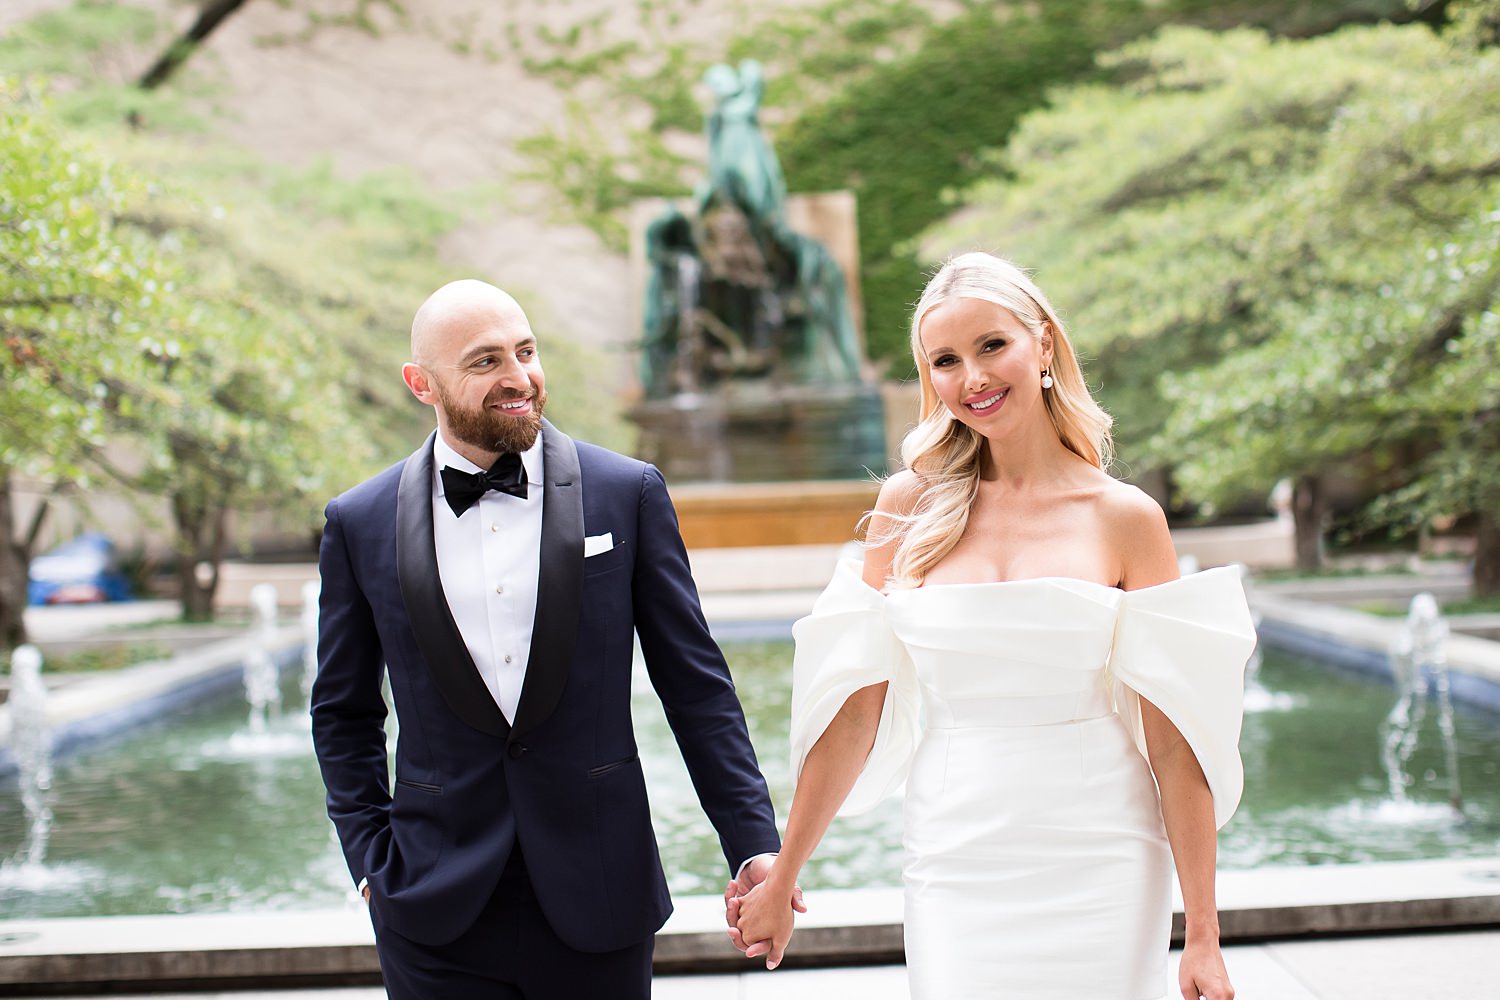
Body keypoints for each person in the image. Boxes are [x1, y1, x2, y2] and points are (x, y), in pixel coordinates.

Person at [727, 252, 1255, 1000]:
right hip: (955, 847)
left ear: (1043, 345)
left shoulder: (1127, 518)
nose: (971, 378)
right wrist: (785, 871)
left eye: (991, 346)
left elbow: (1174, 739)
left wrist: (1203, 932)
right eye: (945, 360)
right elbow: (854, 713)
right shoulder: (907, 507)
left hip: (1103, 849)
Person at [311, 279, 787, 999]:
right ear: (422, 383)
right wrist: (372, 866)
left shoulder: (627, 490)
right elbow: (343, 713)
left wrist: (753, 844)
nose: (518, 378)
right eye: (485, 361)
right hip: (431, 904)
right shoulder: (359, 520)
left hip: (599, 890)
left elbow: (695, 686)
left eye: (525, 352)